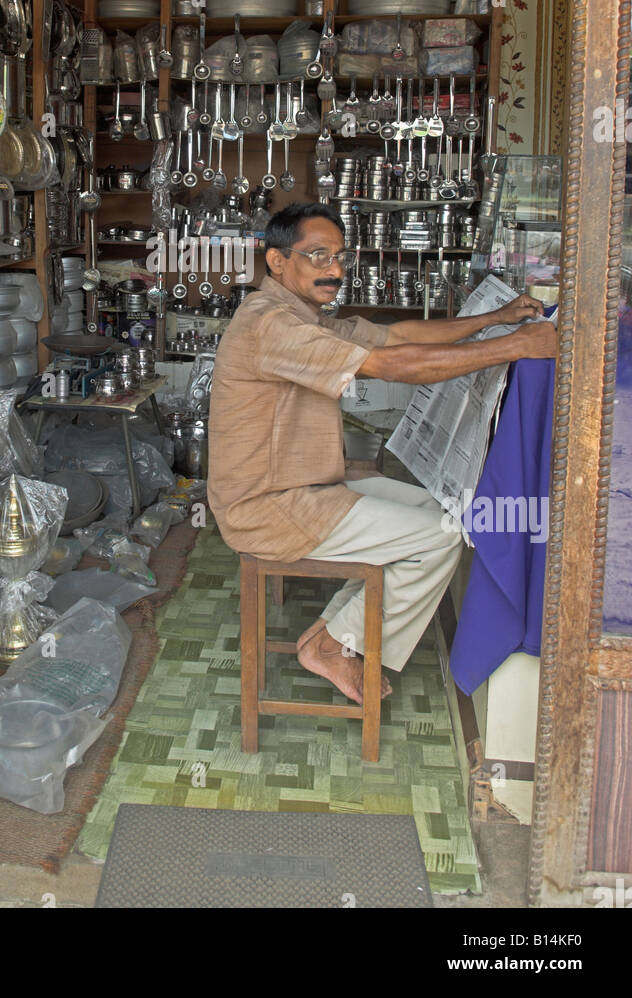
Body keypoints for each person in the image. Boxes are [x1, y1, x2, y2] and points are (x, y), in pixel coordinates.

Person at [207, 202, 557, 706]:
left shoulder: (305, 316)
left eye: (340, 257)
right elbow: (392, 364)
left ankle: (333, 633)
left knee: (438, 515)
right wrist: (514, 347)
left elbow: (399, 334)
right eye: (318, 256)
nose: (335, 269)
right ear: (276, 262)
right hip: (267, 506)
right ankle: (333, 645)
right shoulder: (271, 325)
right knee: (439, 541)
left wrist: (497, 320)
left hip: (310, 488)